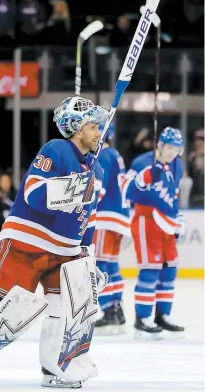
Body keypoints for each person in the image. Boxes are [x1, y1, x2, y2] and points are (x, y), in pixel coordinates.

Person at [0, 97, 108, 388]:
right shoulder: (57, 149)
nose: (99, 133)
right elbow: (33, 192)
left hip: (67, 252)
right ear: (77, 128)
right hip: (28, 241)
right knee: (7, 306)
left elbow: (90, 217)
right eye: (93, 126)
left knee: (67, 312)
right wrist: (74, 188)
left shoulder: (96, 171)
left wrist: (89, 255)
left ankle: (55, 367)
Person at [120, 127, 186, 338]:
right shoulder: (142, 161)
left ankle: (162, 315)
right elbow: (125, 188)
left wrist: (178, 218)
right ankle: (143, 318)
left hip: (167, 221)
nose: (172, 152)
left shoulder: (178, 164)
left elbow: (173, 194)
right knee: (150, 269)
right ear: (159, 145)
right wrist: (144, 178)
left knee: (169, 270)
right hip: (146, 219)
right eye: (168, 147)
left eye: (176, 148)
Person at [92, 124, 131, 334]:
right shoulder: (114, 154)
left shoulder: (104, 156)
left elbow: (99, 190)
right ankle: (116, 309)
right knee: (112, 266)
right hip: (119, 219)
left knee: (100, 265)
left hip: (106, 218)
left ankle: (109, 311)